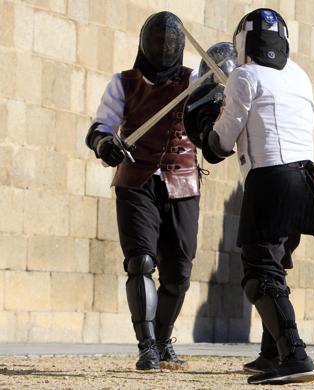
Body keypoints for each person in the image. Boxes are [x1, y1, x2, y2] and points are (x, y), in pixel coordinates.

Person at [184, 8, 314, 385]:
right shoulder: (300, 75)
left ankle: (294, 355)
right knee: (276, 265)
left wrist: (206, 125)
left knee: (260, 275)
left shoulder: (244, 76)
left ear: (243, 42)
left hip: (270, 181)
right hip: (305, 181)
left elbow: (221, 142)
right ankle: (270, 353)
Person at [85, 11, 201, 370]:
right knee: (140, 262)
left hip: (183, 182)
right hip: (136, 179)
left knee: (178, 273)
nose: (164, 47)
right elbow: (100, 128)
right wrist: (106, 144)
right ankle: (146, 345)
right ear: (144, 43)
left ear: (180, 46)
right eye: (157, 41)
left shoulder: (196, 80)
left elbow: (217, 118)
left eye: (170, 42)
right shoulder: (123, 82)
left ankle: (164, 340)